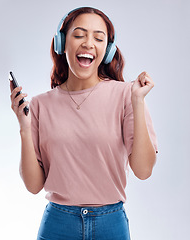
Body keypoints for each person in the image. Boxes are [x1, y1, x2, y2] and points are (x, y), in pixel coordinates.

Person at [10, 6, 158, 240]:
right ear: (62, 43)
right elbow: (34, 186)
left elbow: (143, 170)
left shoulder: (128, 95)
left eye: (98, 38)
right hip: (57, 223)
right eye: (79, 35)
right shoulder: (40, 105)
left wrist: (138, 101)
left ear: (107, 50)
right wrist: (24, 128)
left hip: (111, 223)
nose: (89, 43)